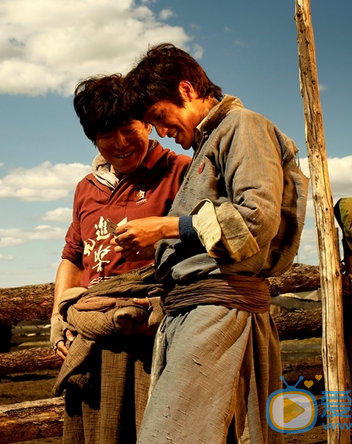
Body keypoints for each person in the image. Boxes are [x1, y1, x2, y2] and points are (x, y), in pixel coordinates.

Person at [113, 43, 308, 444]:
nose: (164, 133)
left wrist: (167, 228)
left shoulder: (244, 126)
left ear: (186, 90)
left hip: (219, 313)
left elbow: (256, 219)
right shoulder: (211, 141)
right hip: (199, 311)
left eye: (160, 118)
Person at [50, 73, 191, 444]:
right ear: (94, 138)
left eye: (128, 127)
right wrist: (58, 318)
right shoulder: (86, 188)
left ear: (147, 122)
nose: (120, 143)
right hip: (94, 340)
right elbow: (72, 257)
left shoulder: (178, 173)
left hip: (153, 340)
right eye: (106, 134)